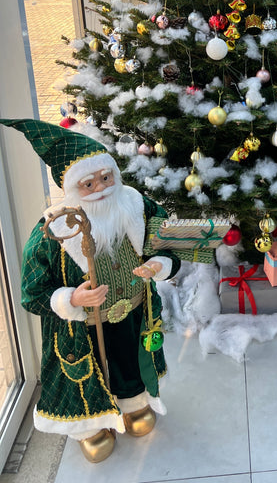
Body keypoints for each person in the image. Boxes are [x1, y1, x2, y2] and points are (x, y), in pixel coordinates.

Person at [0, 119, 181, 463]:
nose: (101, 187)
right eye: (88, 183)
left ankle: (133, 403)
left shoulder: (136, 206)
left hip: (133, 311)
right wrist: (72, 299)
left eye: (106, 177)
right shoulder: (53, 232)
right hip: (83, 328)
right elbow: (32, 292)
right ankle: (92, 425)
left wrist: (158, 264)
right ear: (72, 188)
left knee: (130, 361)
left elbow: (167, 242)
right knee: (89, 372)